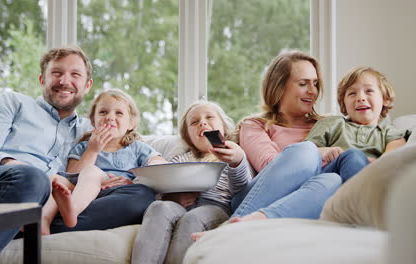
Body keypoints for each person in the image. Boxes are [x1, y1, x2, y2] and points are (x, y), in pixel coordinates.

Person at [0, 46, 153, 264]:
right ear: (41, 79)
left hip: (47, 205)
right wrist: (15, 166)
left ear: (87, 85)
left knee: (140, 196)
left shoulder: (91, 130)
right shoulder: (13, 103)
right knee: (32, 178)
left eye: (75, 75)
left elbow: (127, 149)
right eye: (57, 73)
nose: (65, 81)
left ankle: (29, 224)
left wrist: (122, 180)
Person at [208, 51, 343, 226]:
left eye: (315, 84)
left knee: (332, 180)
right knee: (306, 151)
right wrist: (318, 153)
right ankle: (235, 223)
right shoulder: (254, 125)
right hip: (258, 196)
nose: (312, 91)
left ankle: (245, 223)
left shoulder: (329, 125)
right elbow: (270, 167)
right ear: (279, 87)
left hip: (304, 201)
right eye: (303, 84)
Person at [131, 101, 254, 264]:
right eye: (194, 122)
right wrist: (168, 198)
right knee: (158, 207)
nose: (202, 122)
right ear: (188, 136)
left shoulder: (234, 154)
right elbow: (159, 183)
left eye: (209, 117)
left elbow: (243, 189)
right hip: (178, 206)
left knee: (193, 218)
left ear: (224, 127)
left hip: (216, 208)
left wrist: (237, 161)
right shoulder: (179, 159)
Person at [41, 88, 166, 235]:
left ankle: (70, 212)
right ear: (93, 121)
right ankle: (43, 220)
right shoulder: (84, 146)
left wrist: (137, 180)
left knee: (143, 194)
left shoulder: (137, 147)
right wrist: (92, 150)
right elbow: (72, 175)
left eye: (119, 113)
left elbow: (159, 165)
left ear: (131, 123)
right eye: (103, 112)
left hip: (115, 194)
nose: (110, 117)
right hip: (83, 193)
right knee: (56, 179)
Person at [305, 66, 408, 182]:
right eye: (352, 93)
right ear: (343, 103)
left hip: (371, 176)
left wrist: (376, 164)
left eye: (369, 91)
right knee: (353, 155)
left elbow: (395, 154)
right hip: (330, 176)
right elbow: (304, 152)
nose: (360, 98)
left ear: (385, 99)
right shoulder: (332, 123)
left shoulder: (388, 131)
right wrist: (324, 151)